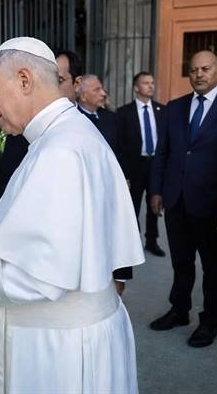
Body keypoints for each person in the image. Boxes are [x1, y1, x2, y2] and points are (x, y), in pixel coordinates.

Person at [0, 37, 144, 394]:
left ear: (24, 80)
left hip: (59, 353)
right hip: (77, 338)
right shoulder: (73, 133)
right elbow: (69, 238)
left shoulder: (58, 151)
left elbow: (33, 280)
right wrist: (2, 241)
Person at [149, 50, 217, 347]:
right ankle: (180, 310)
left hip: (212, 206)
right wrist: (157, 190)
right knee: (181, 262)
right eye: (194, 69)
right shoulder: (174, 108)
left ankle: (209, 322)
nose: (198, 74)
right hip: (176, 200)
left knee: (213, 268)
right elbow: (162, 153)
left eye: (205, 69)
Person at [0, 49, 83, 194]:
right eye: (46, 81)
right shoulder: (22, 127)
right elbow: (8, 182)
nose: (50, 88)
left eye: (58, 81)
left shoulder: (97, 124)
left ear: (77, 83)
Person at [77, 73, 132, 288]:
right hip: (83, 195)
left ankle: (118, 281)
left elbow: (122, 151)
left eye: (102, 89)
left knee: (115, 235)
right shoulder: (72, 119)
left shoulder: (112, 119)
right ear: (83, 96)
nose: (103, 93)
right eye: (97, 90)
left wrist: (124, 176)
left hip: (111, 193)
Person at [118, 72, 166, 257]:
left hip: (155, 165)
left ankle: (152, 241)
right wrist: (124, 173)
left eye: (152, 82)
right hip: (135, 166)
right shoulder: (124, 113)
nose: (150, 86)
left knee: (155, 204)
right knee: (133, 206)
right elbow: (120, 146)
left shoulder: (162, 110)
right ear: (136, 88)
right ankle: (133, 242)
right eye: (146, 83)